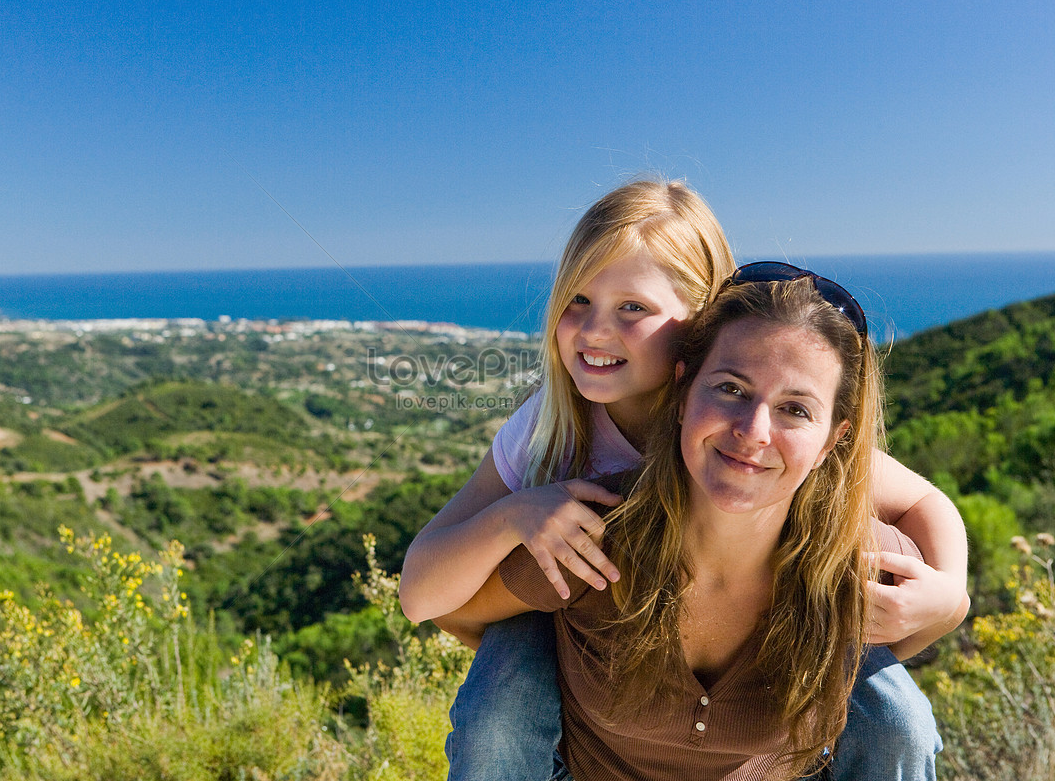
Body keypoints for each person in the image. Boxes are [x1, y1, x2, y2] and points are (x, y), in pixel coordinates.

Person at [398, 180, 968, 780]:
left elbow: (925, 501)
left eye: (632, 308)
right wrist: (515, 517)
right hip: (572, 607)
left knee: (898, 719)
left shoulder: (746, 411)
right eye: (578, 300)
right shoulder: (554, 426)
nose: (595, 330)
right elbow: (424, 593)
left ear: (698, 324)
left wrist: (947, 594)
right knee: (500, 703)